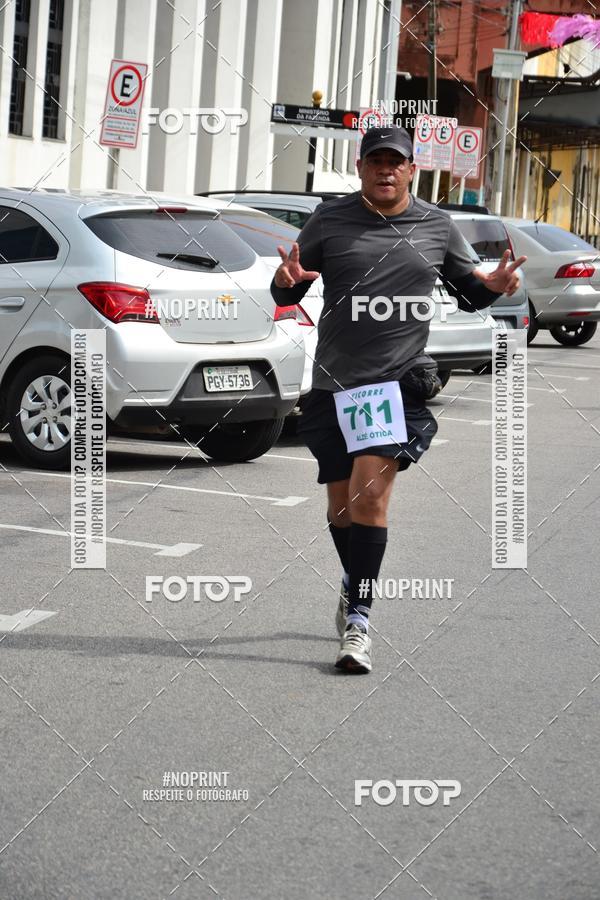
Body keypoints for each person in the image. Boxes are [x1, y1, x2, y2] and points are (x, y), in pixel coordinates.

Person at [270, 125, 525, 674]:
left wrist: (494, 284)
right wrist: (285, 281)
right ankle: (353, 580)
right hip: (335, 382)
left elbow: (466, 292)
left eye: (397, 162)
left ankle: (359, 620)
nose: (386, 170)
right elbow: (288, 286)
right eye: (376, 161)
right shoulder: (331, 220)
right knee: (340, 507)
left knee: (369, 500)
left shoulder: (435, 225)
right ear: (360, 168)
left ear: (412, 170)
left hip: (395, 384)